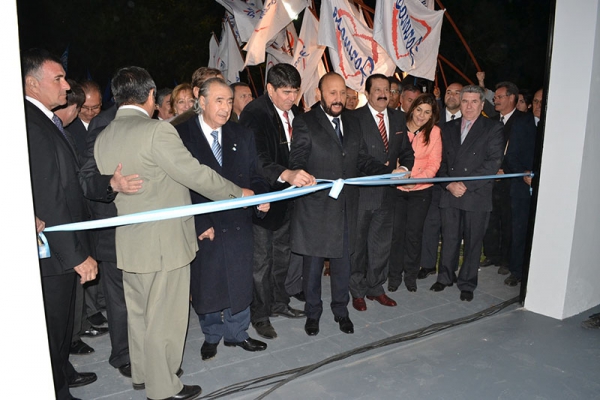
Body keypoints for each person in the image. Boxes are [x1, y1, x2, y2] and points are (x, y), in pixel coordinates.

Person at [94, 66, 251, 400]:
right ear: (151, 96)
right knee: (164, 318)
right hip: (165, 243)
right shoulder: (156, 131)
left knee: (139, 314)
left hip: (130, 242)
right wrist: (237, 192)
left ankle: (143, 374)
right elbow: (194, 173)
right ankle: (163, 387)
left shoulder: (105, 135)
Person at [289, 72, 407, 336]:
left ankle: (341, 311)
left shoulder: (353, 122)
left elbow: (361, 159)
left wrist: (387, 172)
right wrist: (298, 174)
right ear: (319, 94)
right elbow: (297, 158)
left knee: (344, 263)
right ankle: (313, 313)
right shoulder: (305, 122)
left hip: (346, 208)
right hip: (316, 208)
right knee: (314, 267)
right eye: (332, 93)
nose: (338, 98)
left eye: (343, 93)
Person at [23, 48, 98, 400]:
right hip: (53, 252)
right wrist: (74, 255)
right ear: (32, 84)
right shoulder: (31, 125)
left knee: (61, 325)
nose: (66, 86)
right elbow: (49, 196)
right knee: (51, 328)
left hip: (60, 247)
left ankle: (61, 377)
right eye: (58, 79)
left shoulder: (43, 121)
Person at [177, 77, 270, 360]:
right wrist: (199, 224)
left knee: (239, 281)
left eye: (230, 101)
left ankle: (237, 333)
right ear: (201, 101)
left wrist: (261, 198)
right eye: (219, 100)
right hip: (206, 224)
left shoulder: (241, 134)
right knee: (208, 283)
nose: (226, 107)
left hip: (238, 222)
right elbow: (180, 186)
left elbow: (255, 174)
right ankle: (212, 334)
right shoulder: (181, 135)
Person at [239, 63, 312, 340]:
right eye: (285, 92)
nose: (291, 98)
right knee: (261, 262)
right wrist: (285, 173)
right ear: (269, 89)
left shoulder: (295, 112)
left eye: (295, 92)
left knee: (282, 255)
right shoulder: (254, 114)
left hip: (287, 200)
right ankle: (259, 314)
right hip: (263, 197)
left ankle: (279, 302)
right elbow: (255, 158)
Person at [430, 85, 504, 302]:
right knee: (450, 238)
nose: (469, 106)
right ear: (459, 103)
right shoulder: (446, 127)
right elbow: (439, 162)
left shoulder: (493, 128)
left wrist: (466, 185)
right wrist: (449, 184)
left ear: (482, 104)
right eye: (465, 101)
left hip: (476, 193)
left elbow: (493, 163)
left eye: (474, 102)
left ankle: (467, 283)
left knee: (473, 242)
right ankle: (445, 277)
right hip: (450, 192)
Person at [349, 73, 414, 311]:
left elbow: (406, 151)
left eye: (387, 89)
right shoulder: (353, 118)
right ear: (366, 93)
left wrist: (405, 168)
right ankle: (356, 291)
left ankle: (376, 288)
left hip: (387, 196)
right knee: (357, 247)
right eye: (376, 89)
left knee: (381, 245)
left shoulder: (399, 118)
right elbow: (358, 157)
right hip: (362, 194)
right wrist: (389, 172)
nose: (382, 93)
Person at [389, 94, 442, 292]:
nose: (422, 115)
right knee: (396, 235)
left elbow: (434, 163)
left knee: (414, 235)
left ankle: (410, 276)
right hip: (396, 189)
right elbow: (391, 155)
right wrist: (399, 178)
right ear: (412, 109)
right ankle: (393, 276)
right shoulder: (398, 127)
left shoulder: (435, 132)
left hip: (421, 190)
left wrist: (417, 180)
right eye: (419, 110)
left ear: (432, 115)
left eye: (427, 112)